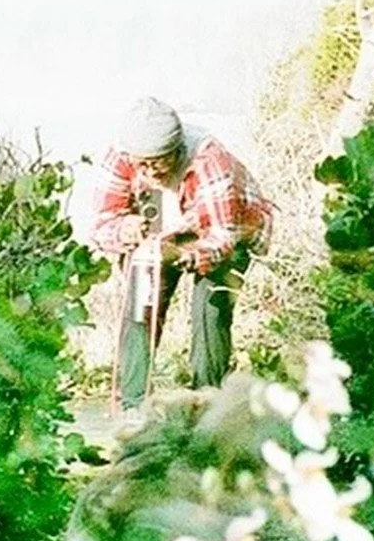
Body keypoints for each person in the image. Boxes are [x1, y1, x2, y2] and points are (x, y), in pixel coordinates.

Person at [90, 97, 270, 412]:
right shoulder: (121, 156)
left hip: (228, 226)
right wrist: (124, 229)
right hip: (163, 219)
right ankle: (133, 408)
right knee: (140, 305)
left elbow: (222, 238)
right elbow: (102, 223)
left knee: (210, 312)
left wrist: (191, 256)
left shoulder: (210, 161)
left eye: (159, 162)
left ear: (176, 149)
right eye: (142, 164)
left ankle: (207, 405)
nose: (150, 171)